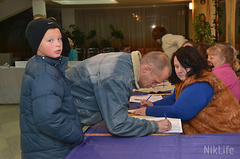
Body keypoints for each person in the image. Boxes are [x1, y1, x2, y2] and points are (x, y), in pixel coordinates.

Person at [133, 46, 240, 135]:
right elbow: (174, 98)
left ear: (194, 64)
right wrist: (152, 105)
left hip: (225, 134)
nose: (180, 71)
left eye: (185, 66)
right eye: (176, 66)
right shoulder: (189, 79)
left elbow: (180, 112)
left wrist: (147, 111)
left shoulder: (201, 84)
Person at [65, 51, 172, 137]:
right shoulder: (119, 77)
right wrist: (154, 126)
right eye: (155, 82)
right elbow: (118, 125)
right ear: (147, 70)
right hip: (64, 121)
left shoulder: (125, 61)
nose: (154, 87)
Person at [20, 18, 84, 158]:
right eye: (50, 40)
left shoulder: (43, 65)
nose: (58, 44)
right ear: (37, 43)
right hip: (50, 150)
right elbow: (48, 118)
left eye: (59, 39)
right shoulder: (44, 73)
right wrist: (76, 134)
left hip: (45, 147)